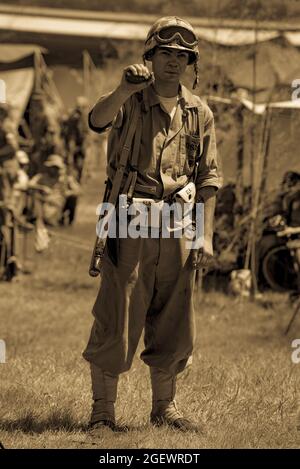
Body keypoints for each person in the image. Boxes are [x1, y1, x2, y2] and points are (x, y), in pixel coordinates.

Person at [83, 16, 223, 433]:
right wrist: (124, 88)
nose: (173, 62)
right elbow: (96, 119)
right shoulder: (130, 99)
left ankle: (165, 408)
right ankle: (102, 413)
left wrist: (206, 235)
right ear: (150, 56)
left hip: (179, 224)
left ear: (191, 64)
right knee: (117, 313)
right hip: (130, 218)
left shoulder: (200, 113)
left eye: (182, 56)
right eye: (166, 53)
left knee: (175, 319)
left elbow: (209, 179)